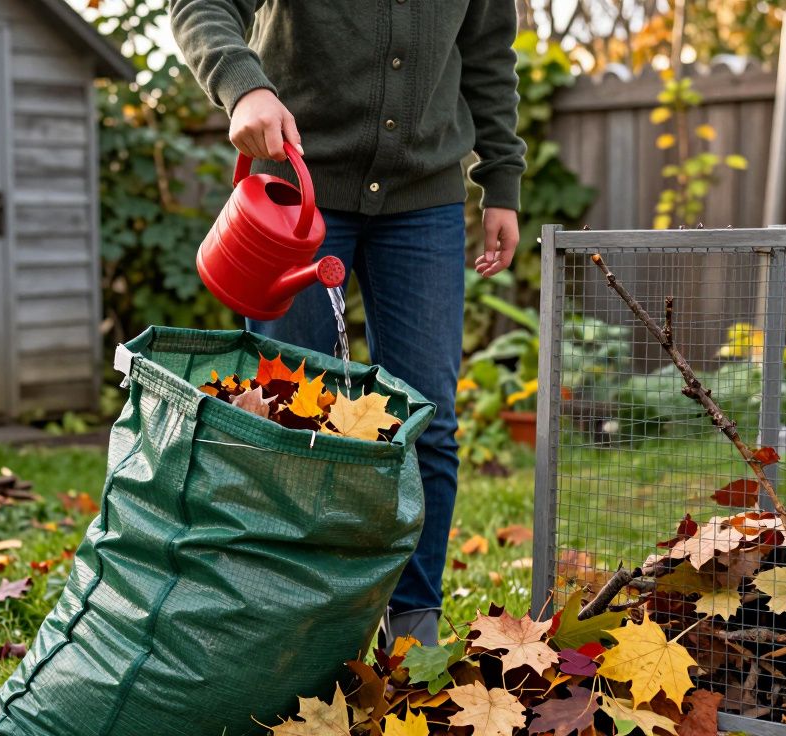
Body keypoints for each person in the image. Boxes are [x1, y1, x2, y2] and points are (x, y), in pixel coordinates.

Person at [170, 0, 526, 647]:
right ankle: (290, 628)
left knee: (426, 420)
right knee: (284, 419)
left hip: (425, 201)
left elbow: (488, 53)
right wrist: (243, 84)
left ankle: (412, 627)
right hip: (296, 195)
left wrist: (500, 179)